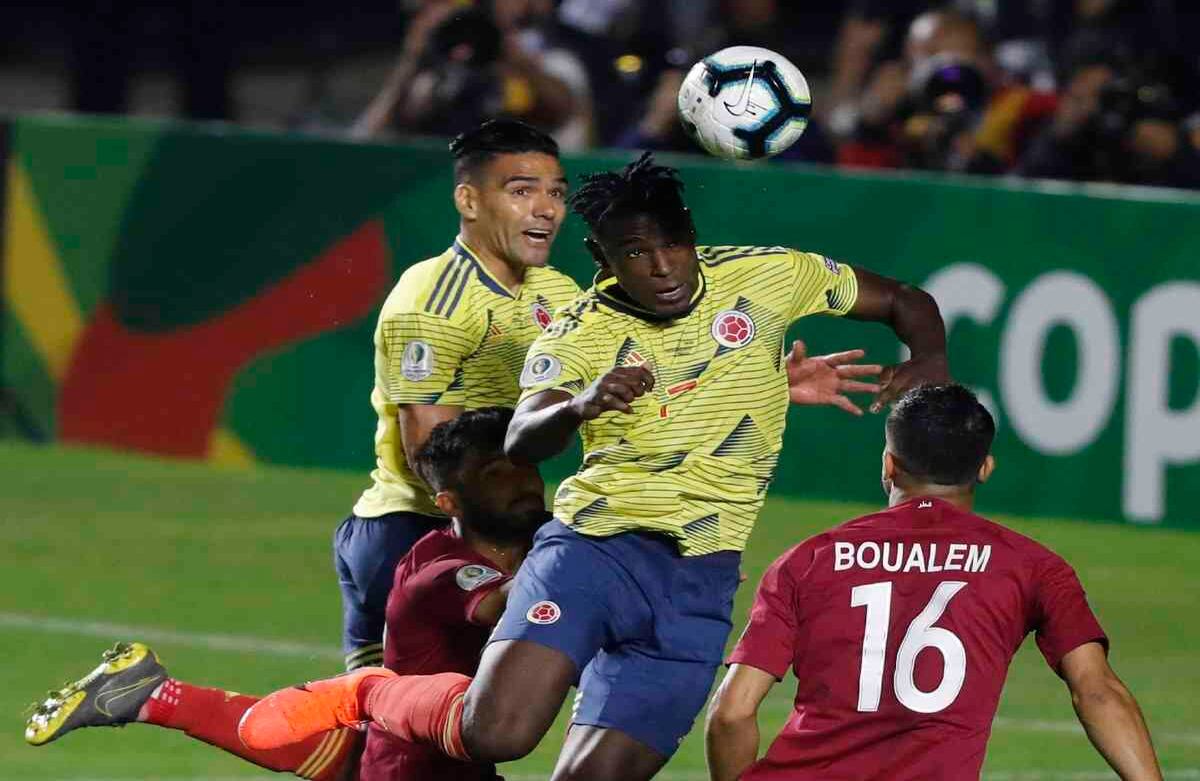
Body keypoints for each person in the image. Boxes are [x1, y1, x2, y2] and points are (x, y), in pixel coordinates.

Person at [237, 151, 947, 781]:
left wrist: (929, 362)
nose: (662, 266)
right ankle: (367, 693)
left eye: (672, 244)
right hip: (592, 551)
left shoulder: (768, 276)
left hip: (699, 578)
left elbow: (905, 301)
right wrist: (581, 403)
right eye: (636, 253)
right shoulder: (583, 328)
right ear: (603, 258)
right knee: (499, 731)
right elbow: (525, 433)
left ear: (691, 236)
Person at [25, 408, 544, 781]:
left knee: (325, 747)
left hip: (431, 748)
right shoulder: (443, 572)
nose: (522, 483)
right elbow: (515, 605)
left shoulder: (515, 538)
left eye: (526, 467)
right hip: (417, 765)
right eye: (497, 475)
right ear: (449, 501)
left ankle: (151, 696)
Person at [706, 384, 1163, 781]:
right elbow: (1096, 690)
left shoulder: (807, 561)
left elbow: (732, 712)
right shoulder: (1033, 567)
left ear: (889, 465)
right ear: (984, 468)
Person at [337, 117, 579, 673]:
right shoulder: (434, 301)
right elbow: (434, 457)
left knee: (406, 740)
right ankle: (171, 703)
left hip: (489, 524)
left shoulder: (559, 292)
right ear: (468, 201)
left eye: (555, 193)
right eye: (521, 191)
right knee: (404, 731)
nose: (546, 208)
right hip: (419, 532)